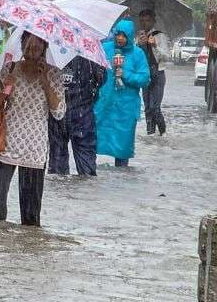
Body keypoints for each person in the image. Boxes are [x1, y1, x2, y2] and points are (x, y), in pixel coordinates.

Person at [0, 32, 65, 226]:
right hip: (4, 144)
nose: (32, 52)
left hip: (34, 150)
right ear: (22, 46)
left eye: (36, 48)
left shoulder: (54, 74)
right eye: (28, 47)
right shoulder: (9, 69)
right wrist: (6, 89)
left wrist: (45, 81)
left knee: (30, 217)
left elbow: (59, 112)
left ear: (44, 48)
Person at [94, 19, 151, 168]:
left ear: (130, 36)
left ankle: (121, 177)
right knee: (92, 140)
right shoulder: (104, 48)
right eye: (118, 34)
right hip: (103, 104)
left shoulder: (138, 54)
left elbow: (145, 79)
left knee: (122, 147)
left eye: (124, 35)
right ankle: (89, 175)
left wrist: (125, 74)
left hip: (125, 109)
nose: (120, 38)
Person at [48, 57, 106, 177]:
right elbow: (100, 81)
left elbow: (100, 79)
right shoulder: (88, 52)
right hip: (67, 114)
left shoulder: (53, 51)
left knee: (61, 169)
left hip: (76, 114)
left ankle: (74, 194)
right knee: (60, 168)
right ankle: (79, 194)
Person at [136, 9, 170, 135]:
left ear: (153, 21)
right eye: (142, 21)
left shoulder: (160, 36)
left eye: (148, 20)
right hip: (145, 75)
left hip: (158, 74)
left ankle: (163, 134)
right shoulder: (138, 37)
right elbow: (134, 57)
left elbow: (166, 57)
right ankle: (150, 134)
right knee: (147, 109)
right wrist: (138, 45)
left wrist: (155, 45)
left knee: (155, 108)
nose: (145, 23)